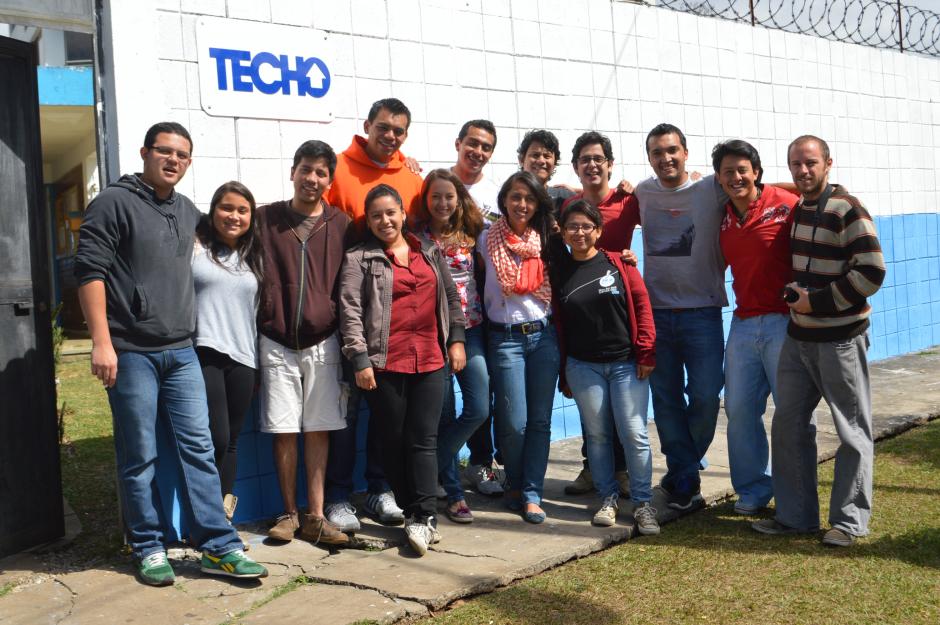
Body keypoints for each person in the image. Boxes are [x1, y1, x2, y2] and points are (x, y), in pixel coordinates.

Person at [74, 122, 267, 586]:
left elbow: (232, 223)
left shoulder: (185, 211)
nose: (173, 160)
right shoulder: (113, 203)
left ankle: (218, 546)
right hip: (131, 351)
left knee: (199, 449)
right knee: (139, 454)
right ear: (145, 152)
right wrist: (102, 341)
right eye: (165, 151)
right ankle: (149, 545)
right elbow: (89, 271)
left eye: (182, 154)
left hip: (181, 352)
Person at [752, 135, 885, 547]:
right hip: (799, 339)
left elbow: (871, 273)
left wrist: (817, 301)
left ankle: (848, 522)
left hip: (841, 340)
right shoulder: (800, 207)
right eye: (795, 164)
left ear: (829, 163)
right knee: (788, 425)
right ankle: (796, 517)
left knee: (852, 430)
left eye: (810, 163)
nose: (802, 171)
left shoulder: (848, 209)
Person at [339, 184, 466, 556]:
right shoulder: (358, 258)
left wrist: (456, 339)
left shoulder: (428, 250)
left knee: (423, 440)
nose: (385, 220)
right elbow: (349, 312)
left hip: (429, 358)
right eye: (376, 215)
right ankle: (414, 511)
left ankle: (425, 516)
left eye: (390, 212)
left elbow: (452, 297)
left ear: (403, 213)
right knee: (392, 442)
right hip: (384, 363)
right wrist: (359, 359)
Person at [324, 98, 424, 531]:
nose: (391, 137)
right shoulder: (338, 168)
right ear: (367, 126)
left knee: (388, 415)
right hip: (347, 312)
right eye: (384, 128)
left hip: (396, 322)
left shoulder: (411, 177)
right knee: (347, 413)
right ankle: (338, 496)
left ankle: (380, 488)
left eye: (400, 131)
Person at [256, 140, 351, 547]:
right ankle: (288, 514)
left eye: (321, 172)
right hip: (275, 339)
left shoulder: (342, 224)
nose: (312, 178)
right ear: (292, 171)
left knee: (319, 429)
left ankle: (315, 515)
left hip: (324, 340)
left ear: (330, 180)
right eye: (306, 169)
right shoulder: (264, 219)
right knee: (283, 429)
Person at [634, 123, 728, 511]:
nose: (665, 158)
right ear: (650, 158)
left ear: (686, 153)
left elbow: (758, 188)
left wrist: (827, 189)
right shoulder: (641, 192)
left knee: (706, 395)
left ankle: (681, 470)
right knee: (666, 399)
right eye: (657, 152)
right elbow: (595, 195)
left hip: (702, 312)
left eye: (672, 150)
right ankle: (686, 479)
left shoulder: (711, 188)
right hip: (656, 314)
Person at [551, 199, 659, 534]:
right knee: (597, 436)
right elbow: (559, 327)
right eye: (573, 226)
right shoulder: (558, 272)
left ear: (598, 230)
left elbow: (642, 306)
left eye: (586, 226)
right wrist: (564, 372)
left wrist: (645, 353)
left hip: (626, 363)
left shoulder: (619, 264)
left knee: (634, 433)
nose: (580, 232)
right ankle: (608, 499)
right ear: (564, 232)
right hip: (583, 367)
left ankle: (643, 504)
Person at [711, 140, 799, 515]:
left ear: (757, 172)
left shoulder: (786, 205)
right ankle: (753, 489)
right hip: (744, 324)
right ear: (718, 177)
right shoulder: (722, 215)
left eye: (742, 169)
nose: (736, 177)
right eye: (728, 171)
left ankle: (796, 492)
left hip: (785, 322)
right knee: (740, 409)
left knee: (791, 411)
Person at [561, 131, 640, 496]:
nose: (592, 165)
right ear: (576, 167)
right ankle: (593, 470)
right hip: (581, 318)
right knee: (593, 411)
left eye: (598, 158)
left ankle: (621, 473)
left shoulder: (629, 201)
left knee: (623, 416)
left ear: (609, 163)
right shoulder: (567, 205)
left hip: (619, 317)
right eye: (584, 160)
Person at [479, 171, 559, 524]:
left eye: (529, 198)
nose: (522, 204)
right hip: (505, 338)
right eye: (515, 196)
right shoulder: (485, 238)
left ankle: (531, 493)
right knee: (513, 421)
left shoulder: (548, 240)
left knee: (539, 421)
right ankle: (512, 478)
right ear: (504, 201)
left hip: (543, 337)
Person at [413, 169, 488, 523]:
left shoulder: (474, 235)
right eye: (436, 197)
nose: (442, 203)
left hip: (471, 331)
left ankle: (434, 464)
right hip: (433, 336)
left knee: (478, 407)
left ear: (459, 199)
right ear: (426, 200)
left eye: (449, 196)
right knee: (442, 417)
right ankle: (455, 495)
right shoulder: (416, 239)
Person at [192, 181, 264, 524]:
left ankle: (222, 520)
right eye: (226, 208)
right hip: (205, 352)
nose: (233, 216)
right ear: (212, 211)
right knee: (215, 438)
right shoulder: (195, 249)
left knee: (232, 441)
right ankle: (205, 519)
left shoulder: (255, 256)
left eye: (242, 210)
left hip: (244, 357)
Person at [451, 119, 501, 222]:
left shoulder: (498, 194)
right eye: (473, 144)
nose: (478, 152)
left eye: (486, 148)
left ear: (491, 153)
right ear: (458, 144)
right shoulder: (437, 183)